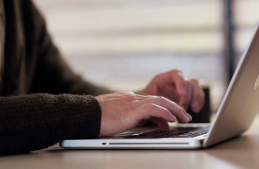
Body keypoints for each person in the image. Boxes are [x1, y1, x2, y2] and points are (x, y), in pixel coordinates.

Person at [0, 0, 205, 155]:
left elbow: (66, 86)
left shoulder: (20, 7)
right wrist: (90, 113)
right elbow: (81, 107)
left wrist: (139, 102)